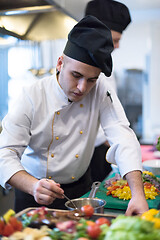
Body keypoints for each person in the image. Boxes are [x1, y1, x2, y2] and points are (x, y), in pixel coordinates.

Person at [0, 15, 148, 216]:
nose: (82, 88)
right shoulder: (31, 96)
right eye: (76, 76)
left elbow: (123, 137)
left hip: (81, 191)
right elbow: (4, 153)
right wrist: (33, 186)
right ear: (60, 63)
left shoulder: (100, 90)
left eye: (91, 80)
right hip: (33, 193)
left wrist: (137, 193)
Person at [85, 0, 132, 182]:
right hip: (90, 155)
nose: (117, 46)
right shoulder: (74, 67)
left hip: (103, 149)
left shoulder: (105, 66)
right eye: (115, 40)